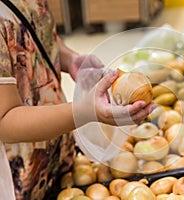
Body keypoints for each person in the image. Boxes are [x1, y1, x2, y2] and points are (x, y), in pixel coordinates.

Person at [0, 0, 155, 199]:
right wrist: (85, 111)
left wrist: (69, 58)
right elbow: (4, 121)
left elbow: (35, 29)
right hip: (22, 179)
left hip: (57, 156)